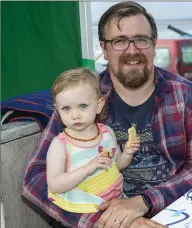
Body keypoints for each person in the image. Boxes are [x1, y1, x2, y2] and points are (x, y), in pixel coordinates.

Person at [21, 1, 192, 228]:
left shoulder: (185, 95)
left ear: (154, 43)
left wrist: (143, 202)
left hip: (168, 211)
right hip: (97, 214)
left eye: (141, 40)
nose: (132, 50)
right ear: (104, 47)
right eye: (119, 41)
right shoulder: (81, 100)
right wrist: (103, 221)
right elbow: (34, 179)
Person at [46, 68, 140, 214]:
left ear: (99, 105)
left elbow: (117, 166)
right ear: (57, 110)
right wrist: (86, 169)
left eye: (83, 106)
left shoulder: (107, 133)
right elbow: (54, 185)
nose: (75, 115)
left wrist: (127, 153)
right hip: (85, 210)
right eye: (66, 108)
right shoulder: (61, 145)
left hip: (116, 202)